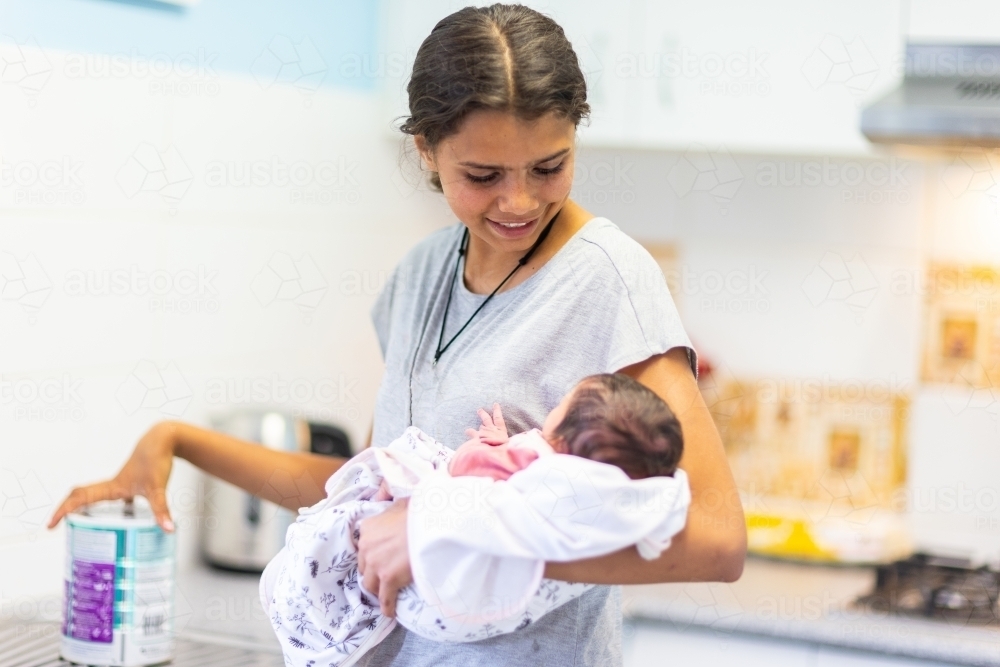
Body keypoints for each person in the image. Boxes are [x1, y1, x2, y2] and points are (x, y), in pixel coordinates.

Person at [49, 5, 747, 666]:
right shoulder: (420, 275)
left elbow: (716, 541)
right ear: (425, 150)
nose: (519, 201)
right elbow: (365, 495)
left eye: (549, 166)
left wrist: (448, 533)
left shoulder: (607, 278)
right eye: (482, 175)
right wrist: (179, 439)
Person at [263, 373, 692, 666]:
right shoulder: (606, 504)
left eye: (562, 403)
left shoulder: (537, 456)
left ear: (562, 436)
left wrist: (491, 449)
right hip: (468, 614)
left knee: (395, 471)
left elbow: (470, 470)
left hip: (429, 584)